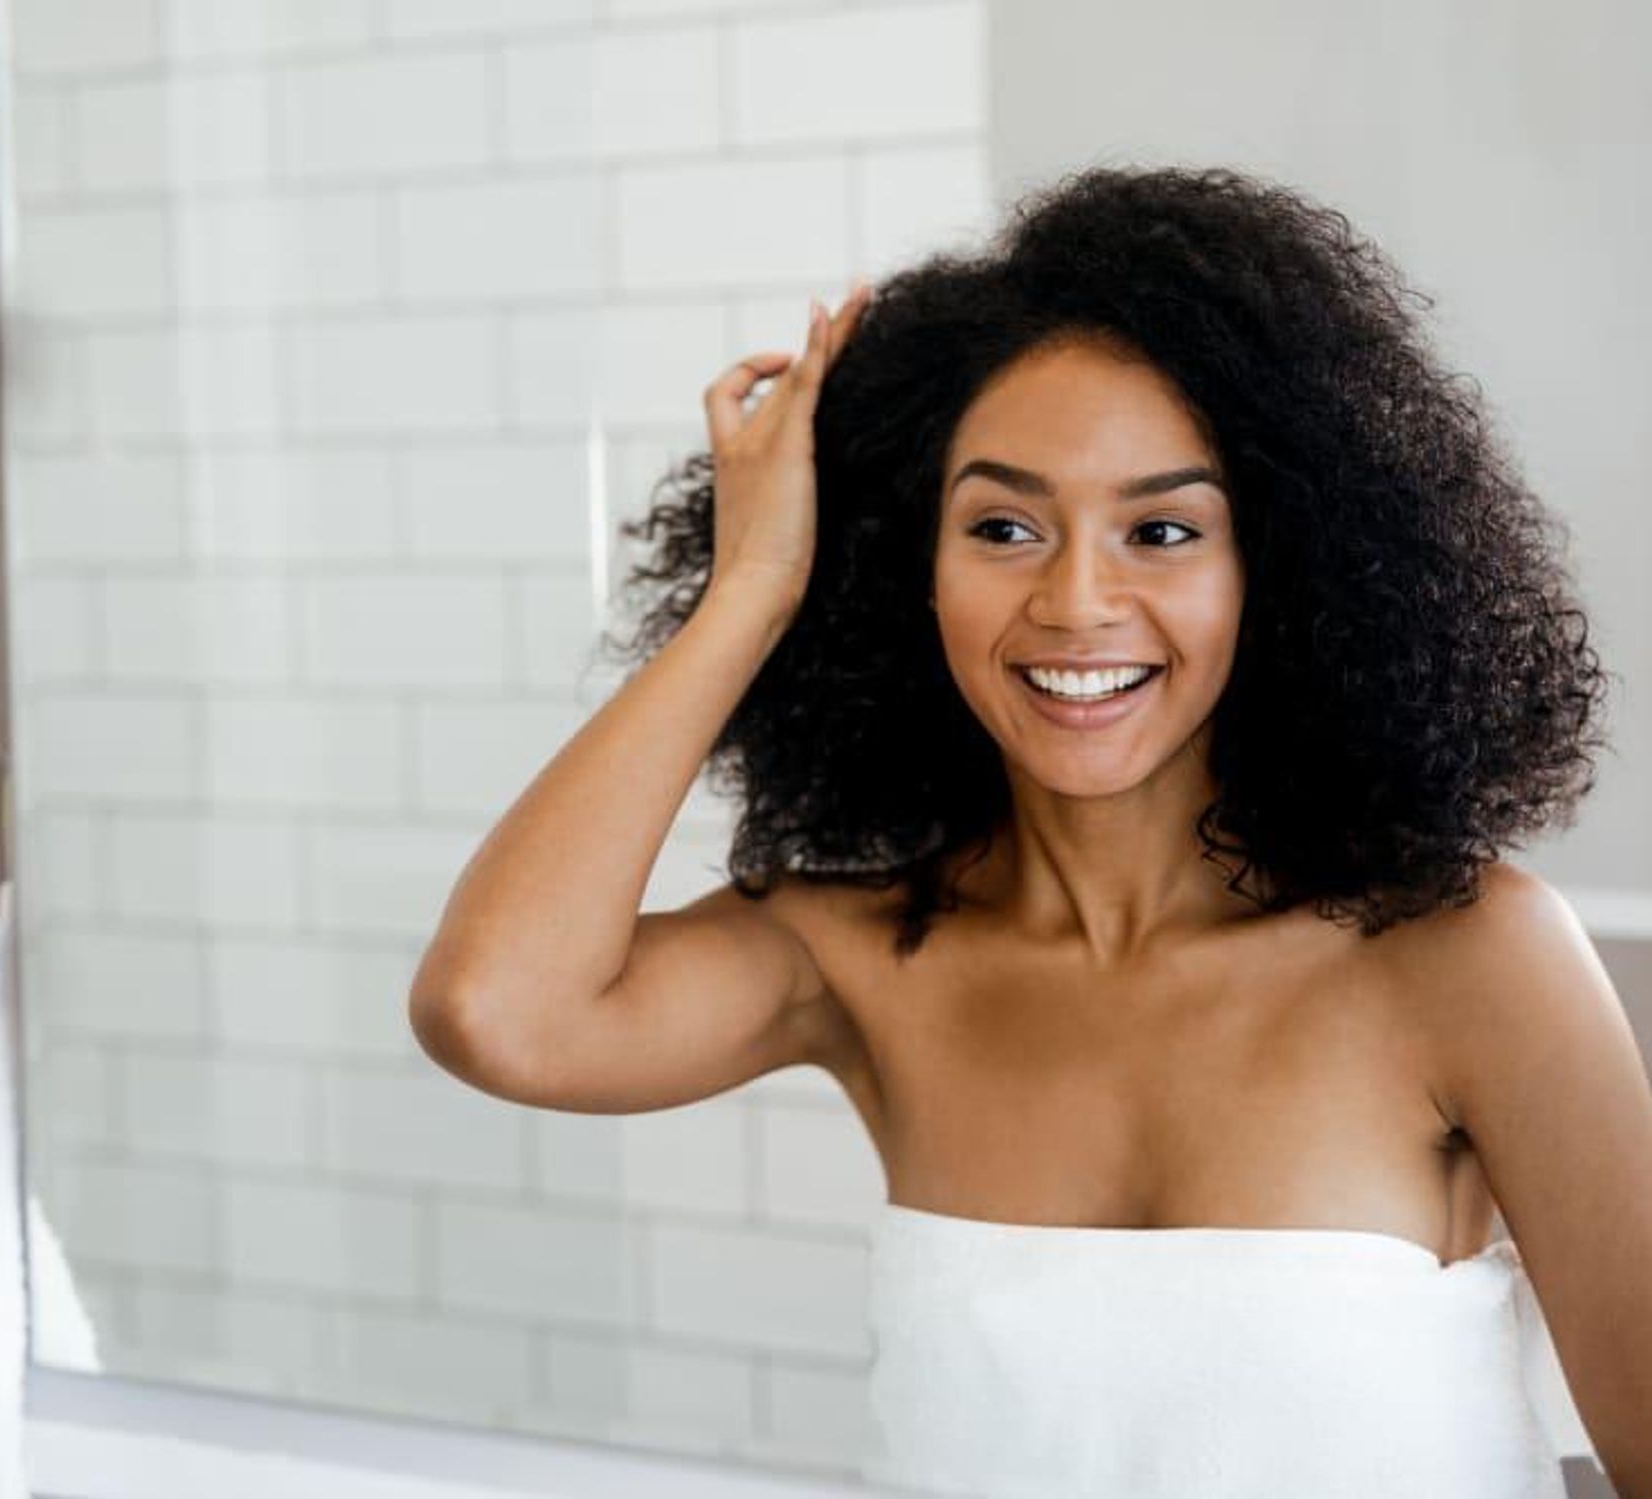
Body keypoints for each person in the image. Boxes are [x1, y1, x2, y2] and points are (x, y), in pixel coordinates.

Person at [409, 165, 1650, 1496]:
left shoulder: (1465, 958)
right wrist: (754, 589)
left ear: (1279, 571)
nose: (1075, 603)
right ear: (905, 569)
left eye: (1162, 530)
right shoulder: (867, 958)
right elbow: (498, 1011)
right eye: (1002, 526)